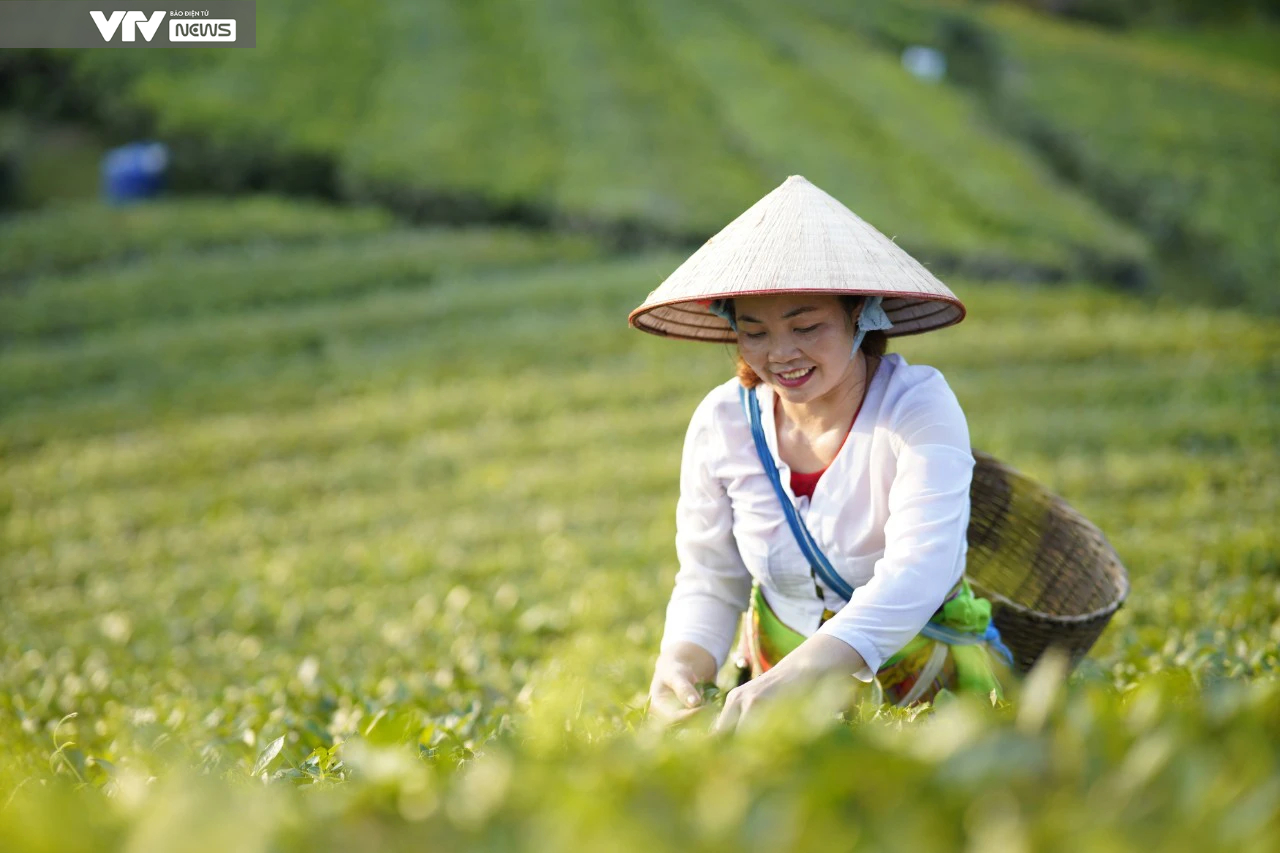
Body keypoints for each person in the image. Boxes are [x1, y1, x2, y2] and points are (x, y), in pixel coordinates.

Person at [629, 176, 1013, 731]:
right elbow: (710, 578)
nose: (781, 354)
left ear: (860, 313)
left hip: (928, 688)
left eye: (806, 326)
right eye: (754, 332)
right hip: (770, 692)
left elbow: (919, 568)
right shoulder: (723, 422)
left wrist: (803, 672)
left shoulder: (917, 406)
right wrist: (681, 665)